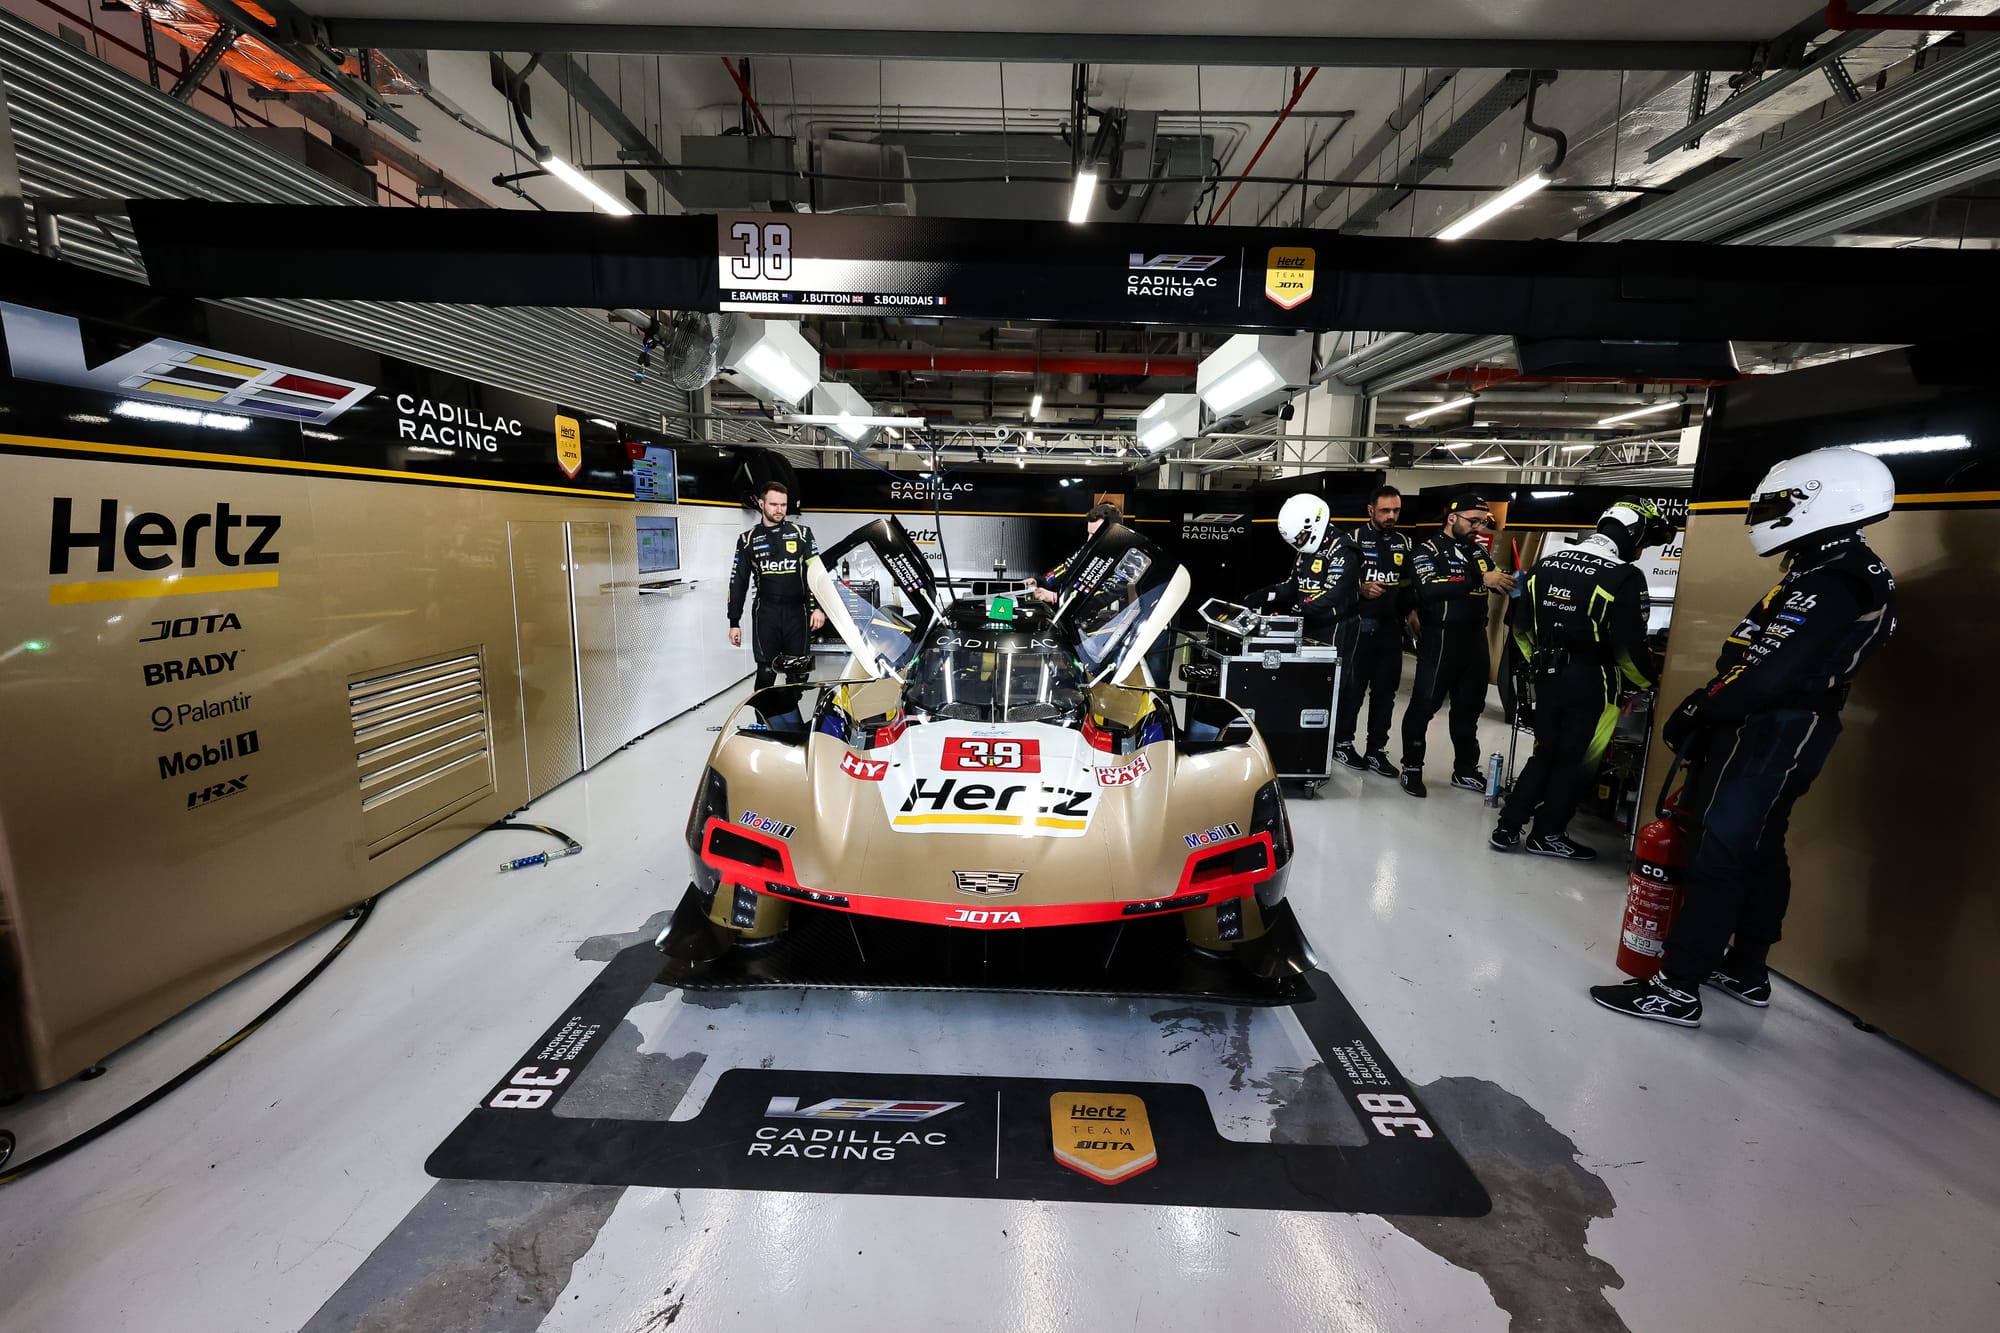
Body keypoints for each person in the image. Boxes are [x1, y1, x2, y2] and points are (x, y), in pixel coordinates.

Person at [1592, 448, 1897, 1027]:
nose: (1766, 519)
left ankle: (1677, 988)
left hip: (1776, 728)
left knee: (1723, 853)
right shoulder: (1830, 567)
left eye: (1778, 506)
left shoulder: (1837, 580)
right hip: (1775, 724)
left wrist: (1700, 708)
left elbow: (1768, 672)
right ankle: (1746, 967)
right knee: (1760, 846)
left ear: (1822, 501)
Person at [1490, 497, 1670, 860]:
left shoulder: (1545, 564)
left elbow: (1520, 630)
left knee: (1545, 752)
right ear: (1633, 535)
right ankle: (1547, 834)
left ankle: (1507, 827)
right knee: (1578, 762)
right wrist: (1648, 683)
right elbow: (1630, 648)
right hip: (1596, 682)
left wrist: (1542, 664)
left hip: (1548, 676)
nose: (1642, 551)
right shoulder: (1625, 576)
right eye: (1644, 542)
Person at [1398, 494, 1515, 798]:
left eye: (1483, 522)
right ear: (1452, 518)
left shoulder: (1478, 551)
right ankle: (1412, 767)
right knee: (1425, 705)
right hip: (1441, 637)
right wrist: (1480, 579)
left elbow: (1492, 581)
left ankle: (1465, 769)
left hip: (1475, 638)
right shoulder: (1427, 550)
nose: (1479, 527)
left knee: (1470, 708)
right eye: (1473, 521)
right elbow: (1429, 589)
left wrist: (1507, 582)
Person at [1330, 486, 1414, 778]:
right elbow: (1334, 584)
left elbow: (1407, 583)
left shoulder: (1404, 542)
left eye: (1396, 510)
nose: (1391, 516)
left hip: (1390, 628)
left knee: (1385, 692)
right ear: (1371, 510)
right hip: (1358, 626)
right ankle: (1342, 743)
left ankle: (1376, 750)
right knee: (1352, 690)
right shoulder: (1350, 539)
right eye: (1385, 510)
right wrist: (1360, 588)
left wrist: (1411, 611)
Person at [726, 480, 827, 689]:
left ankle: (790, 709)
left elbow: (817, 573)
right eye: (774, 504)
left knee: (798, 675)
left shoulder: (802, 534)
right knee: (766, 674)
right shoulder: (747, 540)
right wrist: (734, 622)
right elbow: (738, 582)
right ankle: (764, 711)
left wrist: (819, 607)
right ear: (761, 504)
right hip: (766, 614)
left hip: (797, 614)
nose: (779, 509)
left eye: (783, 505)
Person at [1248, 493, 1358, 644]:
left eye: (1301, 537)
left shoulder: (1344, 549)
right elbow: (1293, 586)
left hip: (1336, 626)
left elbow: (1333, 593)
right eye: (1295, 540)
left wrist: (1299, 608)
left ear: (1314, 523)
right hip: (1310, 624)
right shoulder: (1306, 551)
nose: (1298, 542)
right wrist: (1265, 594)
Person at [1023, 501, 1121, 606]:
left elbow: (1103, 598)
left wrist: (1056, 598)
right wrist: (1039, 582)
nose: (1089, 539)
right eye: (1089, 533)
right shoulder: (1088, 549)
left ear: (1113, 533)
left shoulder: (1125, 560)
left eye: (1094, 535)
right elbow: (1065, 568)